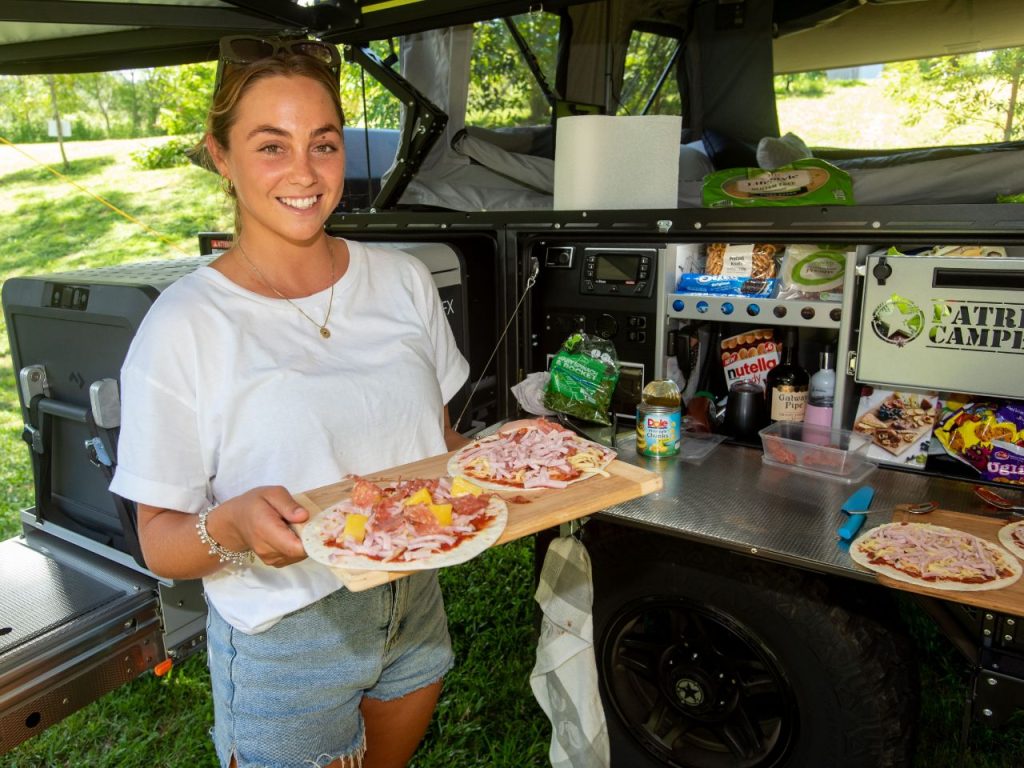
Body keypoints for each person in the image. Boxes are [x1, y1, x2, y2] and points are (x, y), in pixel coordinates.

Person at [109, 36, 470, 768]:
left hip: (414, 601)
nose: (305, 174)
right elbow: (161, 542)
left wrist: (528, 463)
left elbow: (440, 442)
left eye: (324, 144)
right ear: (221, 156)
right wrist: (234, 526)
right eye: (271, 146)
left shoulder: (403, 280)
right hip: (287, 635)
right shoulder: (183, 327)